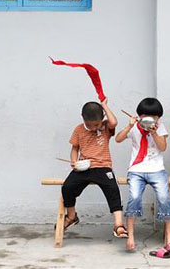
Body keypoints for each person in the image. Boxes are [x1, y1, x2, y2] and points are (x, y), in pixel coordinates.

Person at [115, 98, 170, 257]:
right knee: (134, 197)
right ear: (139, 116)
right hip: (136, 169)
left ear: (158, 118)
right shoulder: (134, 127)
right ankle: (130, 235)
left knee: (163, 197)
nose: (149, 120)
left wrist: (154, 132)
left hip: (157, 169)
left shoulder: (160, 127)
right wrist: (129, 125)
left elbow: (162, 147)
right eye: (145, 117)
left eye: (154, 117)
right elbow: (118, 139)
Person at [60, 99, 127, 238]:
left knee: (113, 189)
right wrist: (74, 162)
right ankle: (71, 216)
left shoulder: (105, 127)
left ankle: (119, 225)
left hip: (103, 167)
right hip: (83, 167)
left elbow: (114, 122)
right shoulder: (79, 129)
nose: (93, 128)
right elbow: (75, 148)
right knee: (67, 187)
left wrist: (104, 105)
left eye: (96, 124)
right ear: (83, 118)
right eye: (89, 125)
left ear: (102, 118)